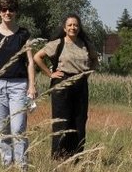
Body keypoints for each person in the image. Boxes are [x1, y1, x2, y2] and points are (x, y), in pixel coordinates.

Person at [0, 0, 37, 169]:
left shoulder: (23, 34)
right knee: (2, 129)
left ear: (16, 12)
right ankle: (7, 165)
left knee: (18, 128)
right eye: (4, 10)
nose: (7, 13)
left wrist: (32, 86)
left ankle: (21, 167)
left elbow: (30, 61)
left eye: (11, 9)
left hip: (19, 85)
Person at [34, 14, 98, 161]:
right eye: (69, 25)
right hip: (62, 84)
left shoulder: (86, 44)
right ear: (64, 28)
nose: (72, 28)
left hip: (80, 84)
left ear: (79, 27)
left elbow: (94, 60)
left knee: (79, 122)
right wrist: (50, 74)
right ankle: (57, 157)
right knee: (61, 122)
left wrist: (87, 74)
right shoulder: (58, 43)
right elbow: (37, 57)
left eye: (75, 25)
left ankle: (75, 158)